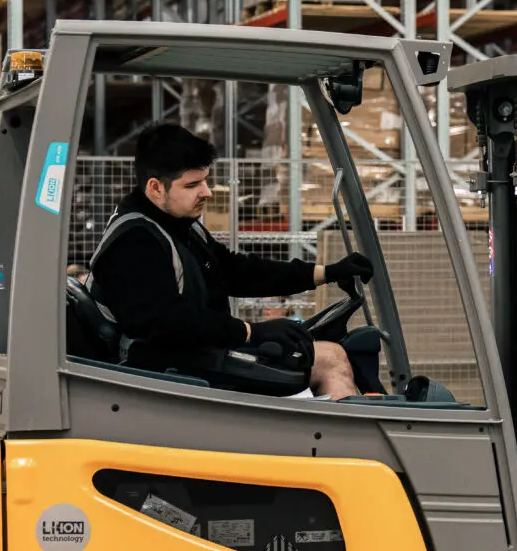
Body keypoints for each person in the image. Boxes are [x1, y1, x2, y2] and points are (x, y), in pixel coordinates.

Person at [91, 124, 372, 398]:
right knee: (330, 359)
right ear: (155, 188)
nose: (207, 191)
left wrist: (325, 272)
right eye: (192, 185)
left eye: (205, 180)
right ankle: (351, 431)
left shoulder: (178, 225)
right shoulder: (135, 242)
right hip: (163, 371)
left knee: (319, 347)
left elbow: (234, 271)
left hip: (191, 354)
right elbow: (167, 321)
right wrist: (251, 332)